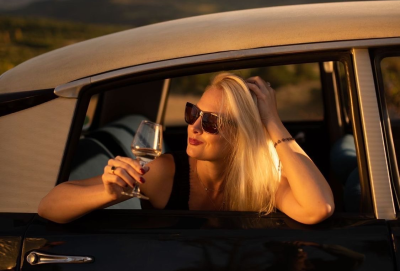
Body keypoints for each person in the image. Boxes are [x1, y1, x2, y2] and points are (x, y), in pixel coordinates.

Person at [38, 73, 334, 224]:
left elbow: (318, 208)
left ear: (242, 136)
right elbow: (49, 206)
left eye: (211, 122)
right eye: (194, 113)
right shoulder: (165, 173)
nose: (194, 126)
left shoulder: (262, 182)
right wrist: (107, 194)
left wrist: (272, 122)